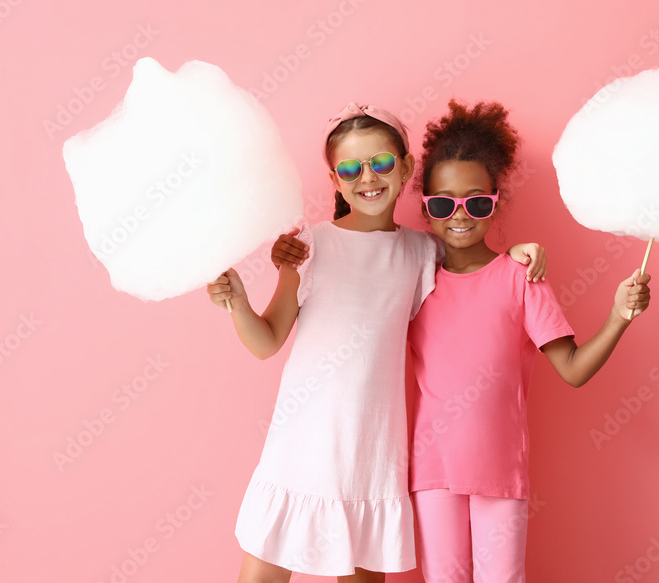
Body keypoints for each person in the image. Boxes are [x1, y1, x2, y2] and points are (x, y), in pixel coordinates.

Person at [208, 102, 547, 583]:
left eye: (381, 163)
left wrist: (518, 252)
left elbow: (473, 258)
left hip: (373, 455)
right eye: (350, 168)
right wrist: (238, 303)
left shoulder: (421, 252)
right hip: (301, 451)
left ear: (406, 167)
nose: (367, 177)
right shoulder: (309, 246)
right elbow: (266, 342)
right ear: (335, 180)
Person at [407, 99, 651, 582]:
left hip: (501, 473)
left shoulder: (521, 278)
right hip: (432, 472)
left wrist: (620, 314)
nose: (460, 214)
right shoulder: (412, 277)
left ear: (495, 201)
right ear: (427, 209)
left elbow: (574, 370)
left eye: (476, 201)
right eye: (443, 203)